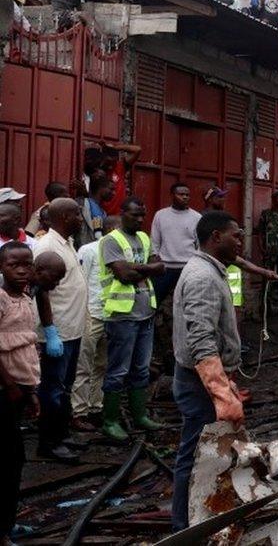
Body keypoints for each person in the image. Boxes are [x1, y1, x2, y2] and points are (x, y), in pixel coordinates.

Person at [171, 211, 245, 531]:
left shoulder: (211, 270)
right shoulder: (202, 276)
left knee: (207, 454)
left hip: (205, 378)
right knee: (196, 455)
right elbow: (200, 339)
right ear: (215, 237)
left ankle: (199, 519)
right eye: (235, 235)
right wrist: (221, 393)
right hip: (198, 382)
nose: (240, 241)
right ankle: (185, 528)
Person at [98, 198, 166, 441]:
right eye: (135, 215)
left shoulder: (144, 238)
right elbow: (124, 275)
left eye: (142, 215)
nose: (139, 220)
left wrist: (142, 268)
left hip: (145, 312)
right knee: (118, 370)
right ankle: (110, 421)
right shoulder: (111, 241)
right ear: (122, 212)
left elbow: (160, 266)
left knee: (141, 368)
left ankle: (140, 415)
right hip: (122, 315)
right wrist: (147, 268)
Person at [33, 198, 87, 462]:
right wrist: (50, 331)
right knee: (52, 390)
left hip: (73, 330)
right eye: (78, 214)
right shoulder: (46, 246)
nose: (82, 218)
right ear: (65, 217)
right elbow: (40, 290)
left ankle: (62, 436)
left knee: (64, 387)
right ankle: (49, 443)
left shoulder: (67, 243)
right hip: (58, 332)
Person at [0, 242, 43, 543]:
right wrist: (13, 387)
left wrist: (30, 392)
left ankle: (8, 523)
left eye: (27, 264)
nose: (22, 270)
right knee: (6, 461)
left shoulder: (25, 298)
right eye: (14, 264)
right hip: (4, 391)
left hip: (17, 392)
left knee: (14, 461)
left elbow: (25, 350)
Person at [70, 215, 120, 432]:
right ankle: (79, 411)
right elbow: (82, 281)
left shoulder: (121, 251)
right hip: (92, 313)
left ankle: (95, 406)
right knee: (84, 365)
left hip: (112, 314)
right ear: (110, 230)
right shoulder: (89, 250)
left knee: (102, 365)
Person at [150, 183, 202, 307]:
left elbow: (199, 244)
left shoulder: (197, 217)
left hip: (188, 268)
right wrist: (154, 257)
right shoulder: (160, 215)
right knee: (154, 301)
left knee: (189, 303)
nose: (185, 197)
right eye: (181, 194)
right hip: (165, 268)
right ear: (172, 195)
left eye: (187, 195)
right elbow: (155, 240)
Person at [74, 170, 115, 249]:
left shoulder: (103, 212)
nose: (114, 193)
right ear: (101, 187)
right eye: (111, 189)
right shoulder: (81, 205)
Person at [100, 142, 141, 216]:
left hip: (118, 217)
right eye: (108, 162)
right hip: (102, 215)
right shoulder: (98, 171)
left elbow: (137, 150)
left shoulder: (120, 167)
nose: (110, 166)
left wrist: (116, 148)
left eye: (113, 162)